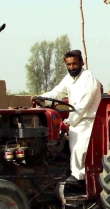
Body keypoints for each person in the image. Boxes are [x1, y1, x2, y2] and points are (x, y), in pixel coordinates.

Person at [32, 50, 101, 188]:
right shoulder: (70, 79)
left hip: (87, 122)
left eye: (74, 64)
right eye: (68, 65)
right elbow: (56, 92)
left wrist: (69, 123)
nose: (71, 67)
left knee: (78, 149)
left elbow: (83, 105)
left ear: (81, 62)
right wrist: (40, 98)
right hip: (75, 121)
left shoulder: (88, 78)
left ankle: (80, 181)